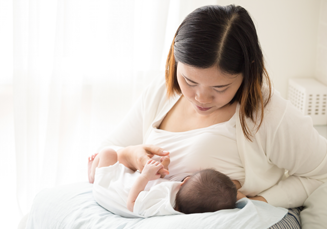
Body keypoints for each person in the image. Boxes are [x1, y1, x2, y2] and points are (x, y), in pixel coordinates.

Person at [95, 4, 327, 228]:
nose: (201, 98)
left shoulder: (267, 113)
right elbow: (105, 153)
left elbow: (321, 172)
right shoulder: (161, 91)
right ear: (176, 62)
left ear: (247, 73)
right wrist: (131, 155)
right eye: (189, 81)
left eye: (220, 88)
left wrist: (260, 202)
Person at [88, 148, 237, 217]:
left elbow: (131, 204)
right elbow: (157, 187)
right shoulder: (182, 202)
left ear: (186, 181)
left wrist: (145, 176)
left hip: (108, 189)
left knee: (108, 153)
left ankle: (92, 176)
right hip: (126, 185)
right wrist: (162, 170)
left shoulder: (163, 205)